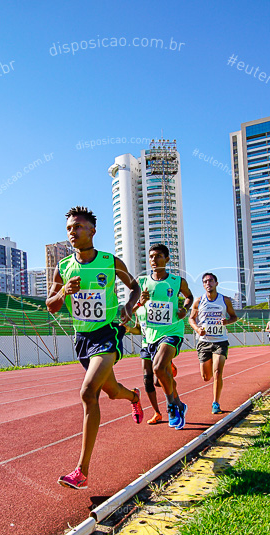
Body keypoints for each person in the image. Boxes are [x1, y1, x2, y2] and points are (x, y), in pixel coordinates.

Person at [47, 207, 144, 490]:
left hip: (108, 332)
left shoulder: (110, 262)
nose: (72, 232)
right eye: (68, 228)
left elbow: (135, 287)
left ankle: (81, 471)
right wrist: (64, 291)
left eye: (77, 227)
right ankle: (134, 396)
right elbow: (51, 306)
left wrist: (128, 306)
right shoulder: (63, 267)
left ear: (92, 231)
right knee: (112, 392)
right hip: (82, 339)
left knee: (88, 393)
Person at [125, 244, 192, 428]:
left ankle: (171, 406)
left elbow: (189, 297)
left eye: (158, 256)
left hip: (172, 331)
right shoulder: (142, 282)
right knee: (157, 376)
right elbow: (135, 308)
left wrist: (184, 309)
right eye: (151, 257)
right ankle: (179, 404)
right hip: (151, 336)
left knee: (159, 368)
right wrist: (141, 302)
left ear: (167, 259)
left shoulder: (177, 281)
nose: (154, 260)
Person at [189, 272, 238, 414]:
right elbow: (191, 319)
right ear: (203, 285)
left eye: (210, 281)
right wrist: (198, 329)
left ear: (216, 283)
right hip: (204, 342)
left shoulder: (225, 300)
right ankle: (209, 375)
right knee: (206, 377)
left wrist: (227, 321)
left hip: (220, 341)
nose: (208, 283)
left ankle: (215, 403)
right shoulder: (198, 301)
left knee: (217, 372)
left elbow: (234, 316)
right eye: (205, 282)